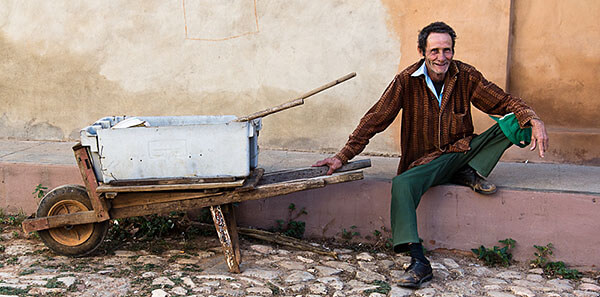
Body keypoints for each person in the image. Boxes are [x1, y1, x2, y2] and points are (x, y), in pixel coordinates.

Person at [314, 21, 548, 288]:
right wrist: (342, 156)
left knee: (518, 120)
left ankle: (466, 170)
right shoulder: (406, 81)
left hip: (462, 150)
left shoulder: (466, 76)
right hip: (425, 161)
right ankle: (418, 261)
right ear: (422, 51)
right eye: (435, 50)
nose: (441, 57)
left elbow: (503, 100)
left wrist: (534, 119)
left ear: (453, 51)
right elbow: (375, 119)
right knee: (402, 183)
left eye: (447, 50)